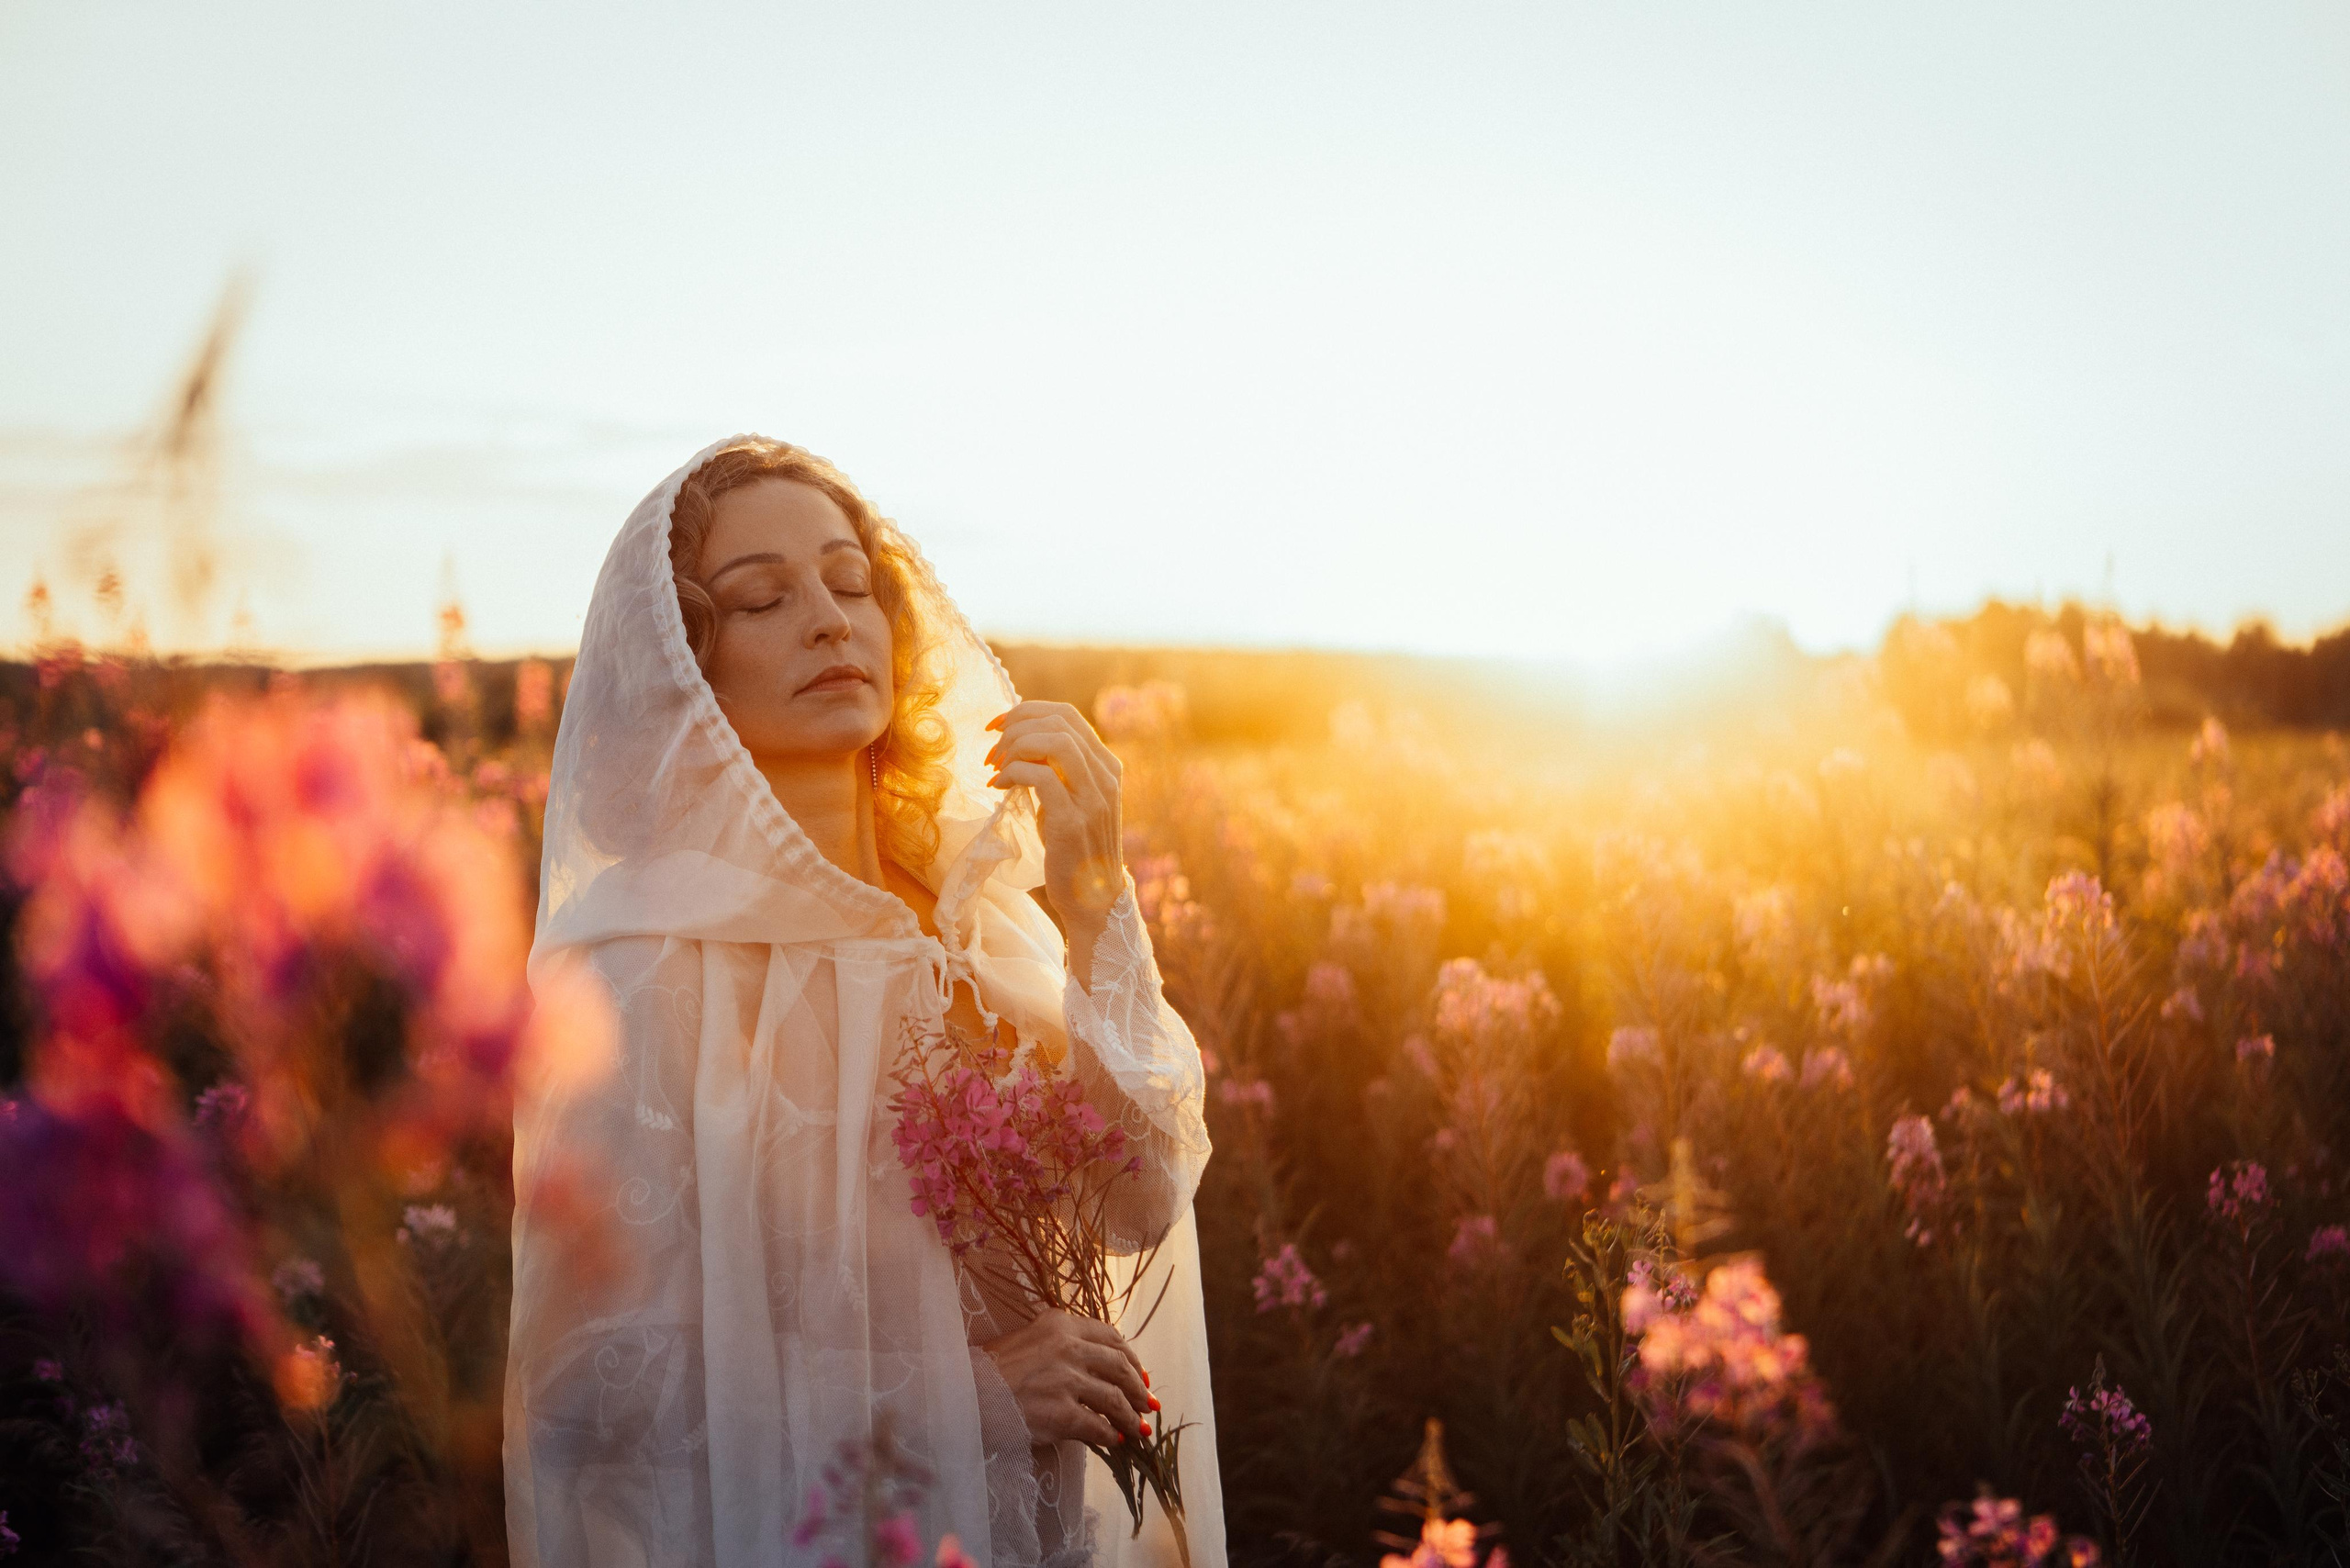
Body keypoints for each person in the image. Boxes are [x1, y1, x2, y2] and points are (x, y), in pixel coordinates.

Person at [504, 436, 1224, 1566]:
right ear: (682, 662)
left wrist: (1093, 907)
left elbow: (1138, 1205)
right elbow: (600, 1398)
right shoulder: (640, 975)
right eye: (759, 597)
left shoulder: (971, 921)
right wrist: (968, 1394)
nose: (831, 620)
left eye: (851, 583)